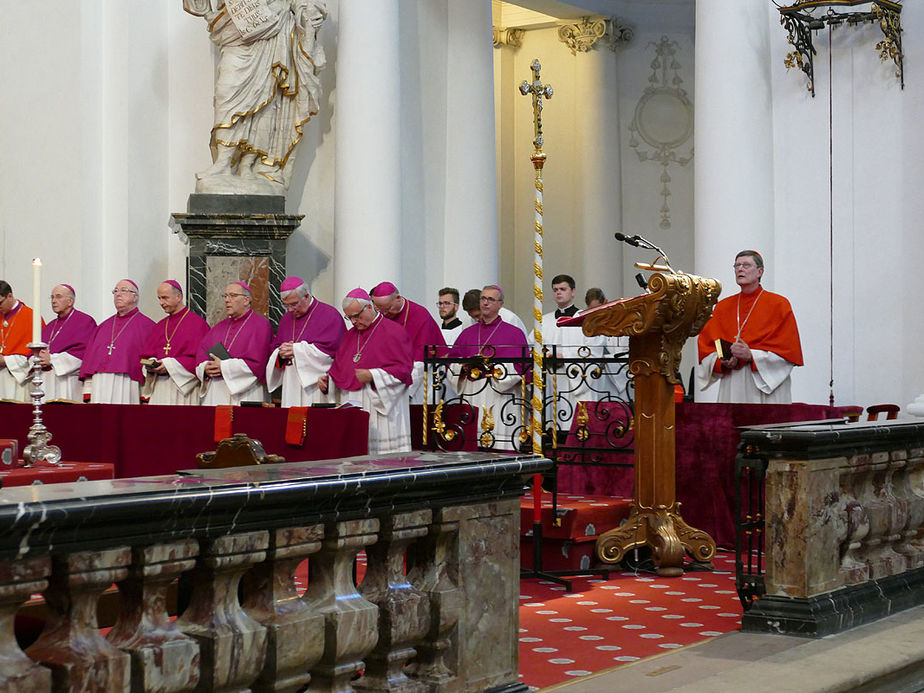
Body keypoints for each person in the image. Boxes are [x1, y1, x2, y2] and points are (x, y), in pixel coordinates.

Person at [183, 0, 328, 194]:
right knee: (227, 95)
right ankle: (223, 163)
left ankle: (248, 165)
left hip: (274, 24)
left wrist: (308, 12)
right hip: (237, 25)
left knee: (268, 100)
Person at [696, 250, 804, 403]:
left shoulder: (779, 304)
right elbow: (708, 347)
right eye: (737, 265)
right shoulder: (722, 307)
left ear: (760, 271)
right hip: (733, 381)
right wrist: (722, 361)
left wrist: (752, 356)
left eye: (746, 265)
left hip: (765, 383)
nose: (740, 269)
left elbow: (787, 353)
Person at [320, 288, 414, 454]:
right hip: (356, 404)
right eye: (349, 318)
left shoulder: (394, 331)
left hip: (382, 405)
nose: (354, 321)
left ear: (370, 308)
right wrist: (329, 380)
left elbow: (404, 371)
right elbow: (340, 368)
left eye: (357, 316)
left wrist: (373, 375)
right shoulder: (349, 336)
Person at [449, 285, 529, 451]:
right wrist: (463, 367)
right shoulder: (468, 333)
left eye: (490, 299)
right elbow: (451, 362)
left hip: (500, 396)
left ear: (500, 304)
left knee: (499, 445)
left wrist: (493, 368)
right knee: (473, 445)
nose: (485, 303)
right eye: (483, 299)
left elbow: (521, 367)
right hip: (473, 392)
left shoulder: (514, 333)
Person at [542, 274, 612, 430]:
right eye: (555, 290)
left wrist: (565, 357)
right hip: (552, 381)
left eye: (563, 289)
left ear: (573, 292)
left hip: (577, 380)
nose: (558, 292)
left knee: (577, 425)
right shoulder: (544, 321)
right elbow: (533, 347)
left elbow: (594, 350)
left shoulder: (586, 320)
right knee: (553, 425)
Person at [266, 276, 345, 407]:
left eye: (294, 304)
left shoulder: (330, 315)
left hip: (315, 385)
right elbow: (276, 350)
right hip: (291, 384)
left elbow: (333, 354)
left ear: (307, 296)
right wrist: (280, 354)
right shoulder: (286, 319)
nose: (290, 310)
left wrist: (296, 350)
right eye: (286, 305)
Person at [79, 279, 156, 404]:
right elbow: (90, 361)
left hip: (128, 384)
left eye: (123, 290)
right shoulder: (103, 327)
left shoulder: (148, 327)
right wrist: (88, 390)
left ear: (135, 297)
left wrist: (145, 394)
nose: (118, 294)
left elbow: (149, 363)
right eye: (115, 291)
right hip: (100, 384)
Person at [196, 282, 273, 405]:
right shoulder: (219, 327)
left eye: (232, 295)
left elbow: (257, 365)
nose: (227, 300)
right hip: (216, 392)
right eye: (225, 296)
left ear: (246, 300)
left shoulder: (261, 326)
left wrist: (223, 367)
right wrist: (206, 368)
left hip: (245, 393)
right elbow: (201, 355)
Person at [370, 281, 445, 404]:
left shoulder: (420, 316)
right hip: (388, 384)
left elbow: (421, 361)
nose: (384, 314)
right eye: (380, 310)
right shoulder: (383, 317)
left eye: (388, 308)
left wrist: (400, 389)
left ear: (398, 298)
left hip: (417, 384)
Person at [140, 281, 210, 406]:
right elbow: (148, 354)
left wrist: (169, 365)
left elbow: (200, 362)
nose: (161, 303)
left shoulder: (197, 324)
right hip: (160, 388)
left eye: (165, 298)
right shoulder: (160, 325)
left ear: (178, 297)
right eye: (159, 298)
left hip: (184, 390)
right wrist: (152, 364)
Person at [39, 284, 97, 402]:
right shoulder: (50, 326)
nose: (54, 301)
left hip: (69, 382)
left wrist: (52, 359)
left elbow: (84, 354)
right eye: (52, 297)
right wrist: (39, 359)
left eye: (58, 297)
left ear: (70, 301)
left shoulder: (85, 322)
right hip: (47, 382)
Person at [0, 281, 40, 402]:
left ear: (10, 296)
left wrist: (7, 360)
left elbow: (36, 357)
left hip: (18, 381)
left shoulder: (31, 317)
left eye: (0, 302)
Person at [462, 287, 531, 344]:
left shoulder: (509, 318)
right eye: (472, 317)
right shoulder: (467, 322)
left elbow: (523, 349)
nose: (476, 320)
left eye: (478, 316)